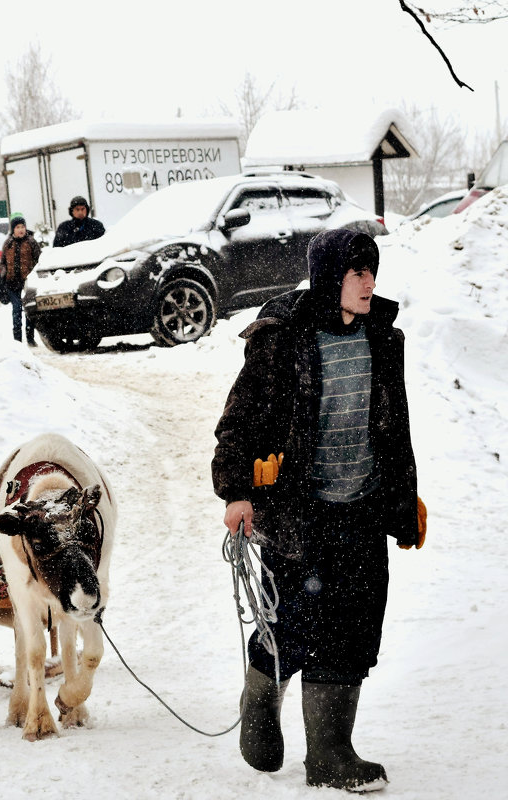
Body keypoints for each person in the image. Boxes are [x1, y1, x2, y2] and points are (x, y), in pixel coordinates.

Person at [211, 228, 423, 793]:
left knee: (353, 629)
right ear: (331, 277)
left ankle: (329, 754)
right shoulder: (283, 340)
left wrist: (404, 502)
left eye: (372, 272)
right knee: (293, 623)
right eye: (358, 273)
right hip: (299, 514)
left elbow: (393, 430)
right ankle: (260, 698)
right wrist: (237, 493)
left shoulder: (382, 337)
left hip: (361, 510)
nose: (369, 283)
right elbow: (238, 424)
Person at [0, 214, 40, 345]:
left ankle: (30, 337)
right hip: (12, 283)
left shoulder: (31, 242)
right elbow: (3, 262)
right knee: (16, 310)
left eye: (23, 227)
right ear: (13, 229)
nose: (21, 229)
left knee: (29, 311)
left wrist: (35, 275)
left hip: (27, 282)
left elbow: (39, 260)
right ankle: (17, 339)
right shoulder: (8, 243)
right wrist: (4, 274)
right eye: (18, 227)